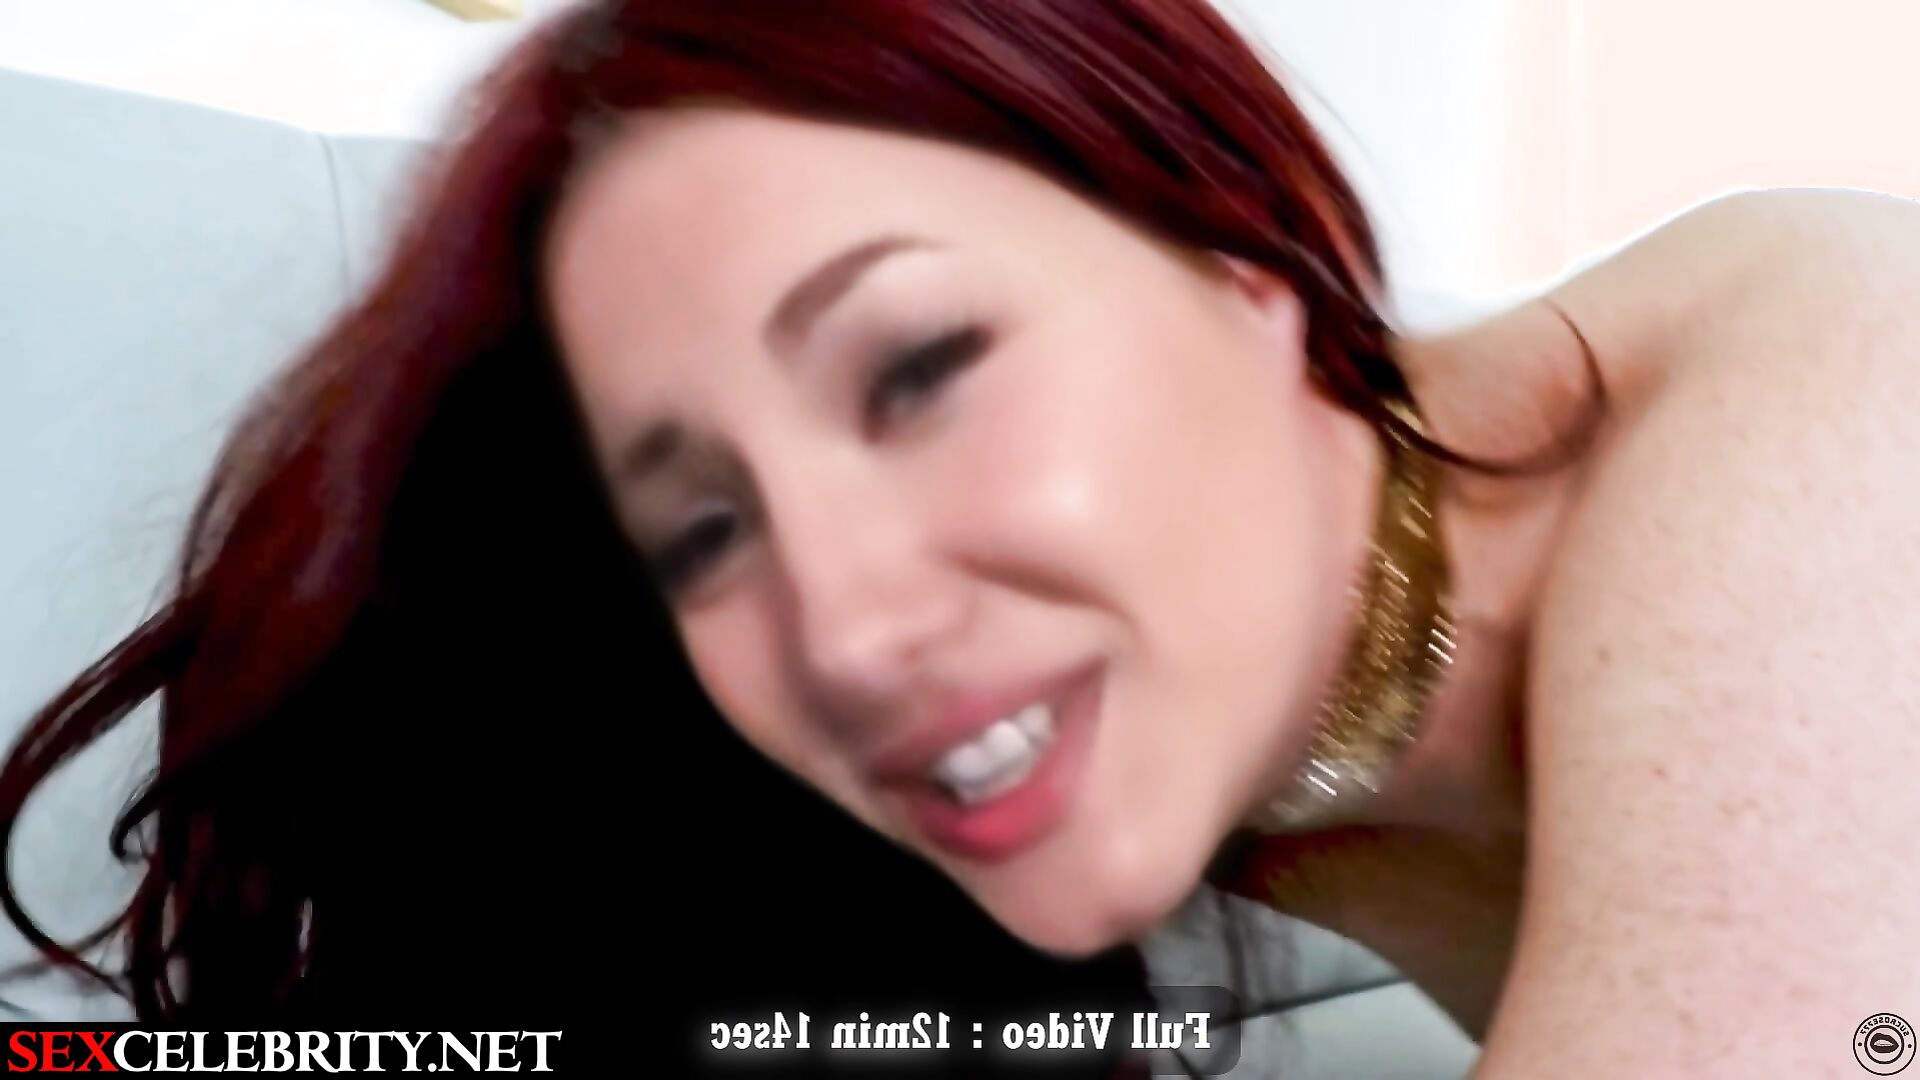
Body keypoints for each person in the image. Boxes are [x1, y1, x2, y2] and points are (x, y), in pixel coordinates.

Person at [5, 0, 1919, 1075]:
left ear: (1238, 255)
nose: (837, 629)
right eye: (702, 535)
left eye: (920, 370)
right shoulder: (1210, 775)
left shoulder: (1830, 363)